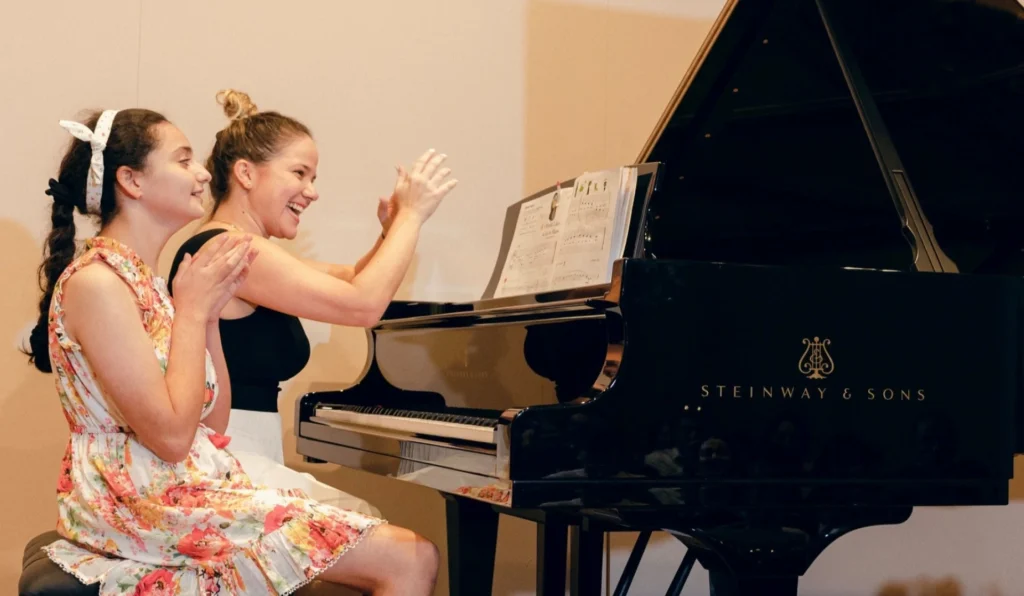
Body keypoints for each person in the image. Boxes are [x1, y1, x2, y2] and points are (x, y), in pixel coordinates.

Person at [27, 107, 439, 595]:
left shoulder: (151, 284)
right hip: (139, 497)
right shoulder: (97, 282)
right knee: (410, 558)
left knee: (399, 550)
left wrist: (204, 313)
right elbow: (173, 439)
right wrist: (195, 311)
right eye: (183, 161)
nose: (203, 172)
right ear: (132, 181)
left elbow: (212, 424)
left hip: (179, 478)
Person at [168, 89, 456, 467]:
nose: (312, 192)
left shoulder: (237, 248)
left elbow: (353, 277)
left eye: (313, 177)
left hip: (245, 446)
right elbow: (363, 305)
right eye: (299, 173)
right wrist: (413, 217)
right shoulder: (233, 251)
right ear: (246, 173)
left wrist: (390, 232)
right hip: (229, 450)